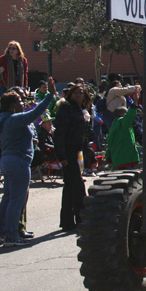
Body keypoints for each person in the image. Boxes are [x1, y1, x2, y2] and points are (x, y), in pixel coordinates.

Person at [0, 79, 55, 246]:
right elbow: (35, 113)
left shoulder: (3, 119)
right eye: (19, 101)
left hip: (8, 160)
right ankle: (11, 235)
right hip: (18, 161)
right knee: (17, 199)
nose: (23, 103)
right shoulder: (13, 119)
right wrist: (50, 96)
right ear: (11, 106)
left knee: (9, 197)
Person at [53, 84, 92, 231]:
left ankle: (67, 221)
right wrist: (62, 156)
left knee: (69, 187)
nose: (78, 95)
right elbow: (60, 134)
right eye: (75, 93)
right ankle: (82, 219)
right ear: (70, 95)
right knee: (77, 186)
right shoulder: (65, 110)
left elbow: (83, 135)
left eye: (81, 93)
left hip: (77, 151)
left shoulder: (79, 110)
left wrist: (89, 153)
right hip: (68, 152)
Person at [105, 106, 140, 170]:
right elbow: (130, 116)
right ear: (122, 114)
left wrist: (108, 157)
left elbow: (110, 145)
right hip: (125, 159)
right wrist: (134, 104)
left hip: (116, 160)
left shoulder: (113, 127)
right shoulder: (123, 123)